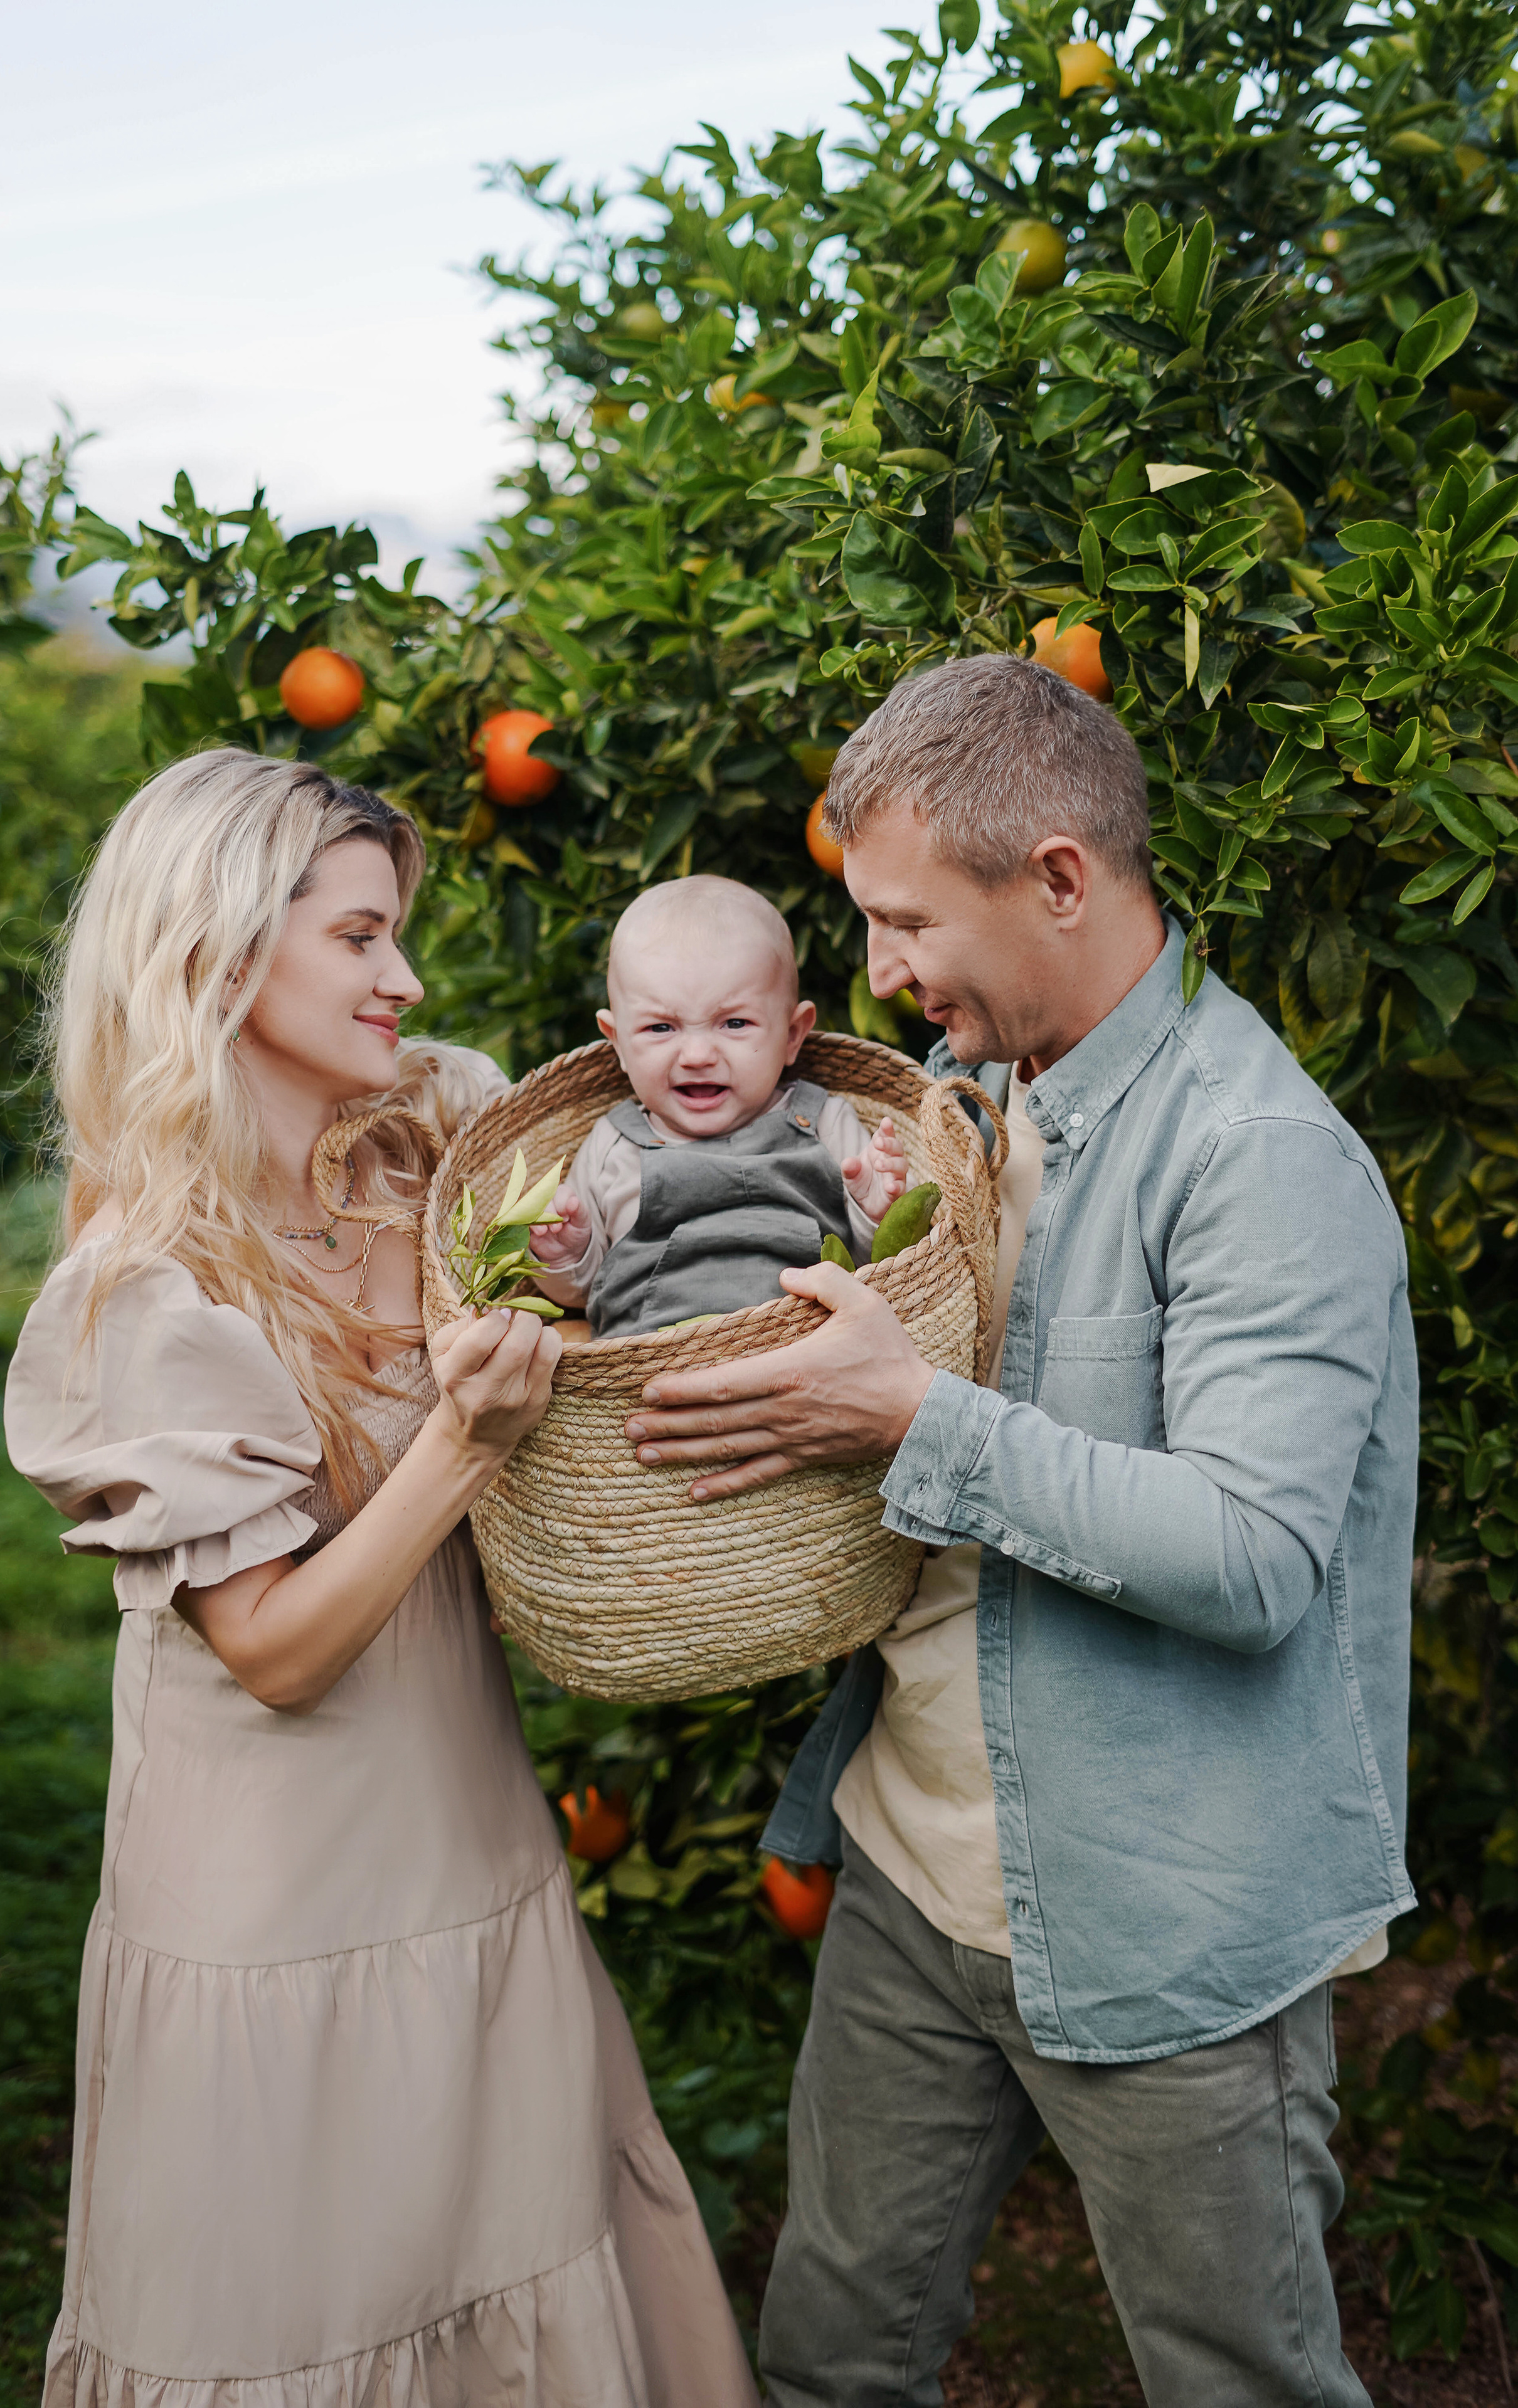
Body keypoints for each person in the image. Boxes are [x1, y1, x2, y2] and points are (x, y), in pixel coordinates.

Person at [620, 656, 1416, 2408]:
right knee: (831, 2358)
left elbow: (1251, 1556)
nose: (877, 970)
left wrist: (912, 1416)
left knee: (1238, 2381)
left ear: (1057, 877)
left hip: (1163, 1911)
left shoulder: (1257, 1155)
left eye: (908, 921)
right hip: (907, 1868)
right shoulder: (962, 1102)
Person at [4, 751, 756, 2408]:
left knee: (514, 2243)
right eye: (359, 936)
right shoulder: (149, 1291)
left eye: (394, 933)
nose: (404, 978)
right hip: (275, 1897)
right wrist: (464, 1443)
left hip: (467, 1829)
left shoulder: (427, 1158)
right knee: (298, 2315)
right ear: (217, 952)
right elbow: (273, 1650)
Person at [528, 876, 908, 1336]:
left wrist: (872, 1212)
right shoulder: (613, 1145)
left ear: (792, 1035)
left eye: (734, 1023)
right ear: (618, 1044)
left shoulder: (825, 1122)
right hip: (654, 1361)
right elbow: (584, 1293)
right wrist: (567, 1253)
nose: (697, 1055)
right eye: (661, 1028)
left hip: (809, 1350)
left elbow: (874, 1268)